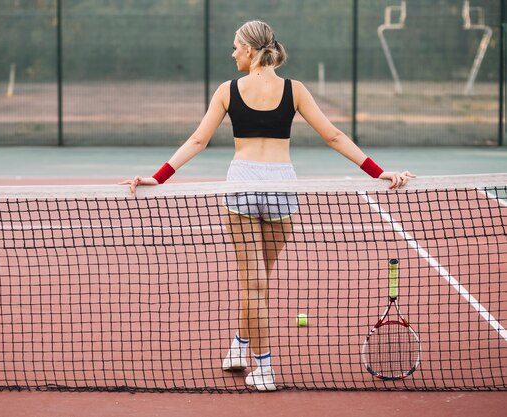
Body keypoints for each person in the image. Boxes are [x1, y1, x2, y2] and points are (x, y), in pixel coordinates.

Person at [121, 20, 415, 391]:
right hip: (281, 188)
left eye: (234, 47)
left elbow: (198, 140)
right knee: (257, 284)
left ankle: (263, 367)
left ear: (248, 50)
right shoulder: (295, 90)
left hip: (243, 186)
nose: (232, 54)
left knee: (253, 285)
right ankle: (240, 347)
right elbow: (334, 135)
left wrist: (159, 176)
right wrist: (378, 171)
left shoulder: (228, 91)